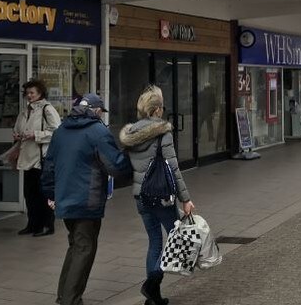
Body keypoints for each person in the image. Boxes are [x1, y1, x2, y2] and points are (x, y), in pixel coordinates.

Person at [41, 94, 131, 305]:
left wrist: (50, 194)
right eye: (101, 111)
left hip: (64, 200)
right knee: (84, 249)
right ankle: (70, 300)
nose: (101, 114)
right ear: (96, 110)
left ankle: (64, 295)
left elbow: (49, 166)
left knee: (75, 246)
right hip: (86, 201)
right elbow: (116, 167)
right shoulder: (98, 132)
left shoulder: (61, 130)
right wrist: (129, 153)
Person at [119, 85, 195, 304]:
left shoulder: (132, 134)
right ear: (157, 110)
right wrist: (186, 199)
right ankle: (152, 284)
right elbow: (173, 168)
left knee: (154, 241)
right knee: (176, 237)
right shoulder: (163, 132)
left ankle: (154, 296)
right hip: (161, 196)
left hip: (141, 196)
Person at [14, 79, 62, 237]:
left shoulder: (47, 109)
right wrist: (17, 134)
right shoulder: (25, 110)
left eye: (32, 93)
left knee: (44, 193)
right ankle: (33, 224)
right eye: (27, 93)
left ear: (40, 93)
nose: (29, 95)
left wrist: (37, 135)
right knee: (30, 194)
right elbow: (19, 128)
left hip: (42, 158)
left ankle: (48, 225)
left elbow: (57, 131)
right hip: (27, 157)